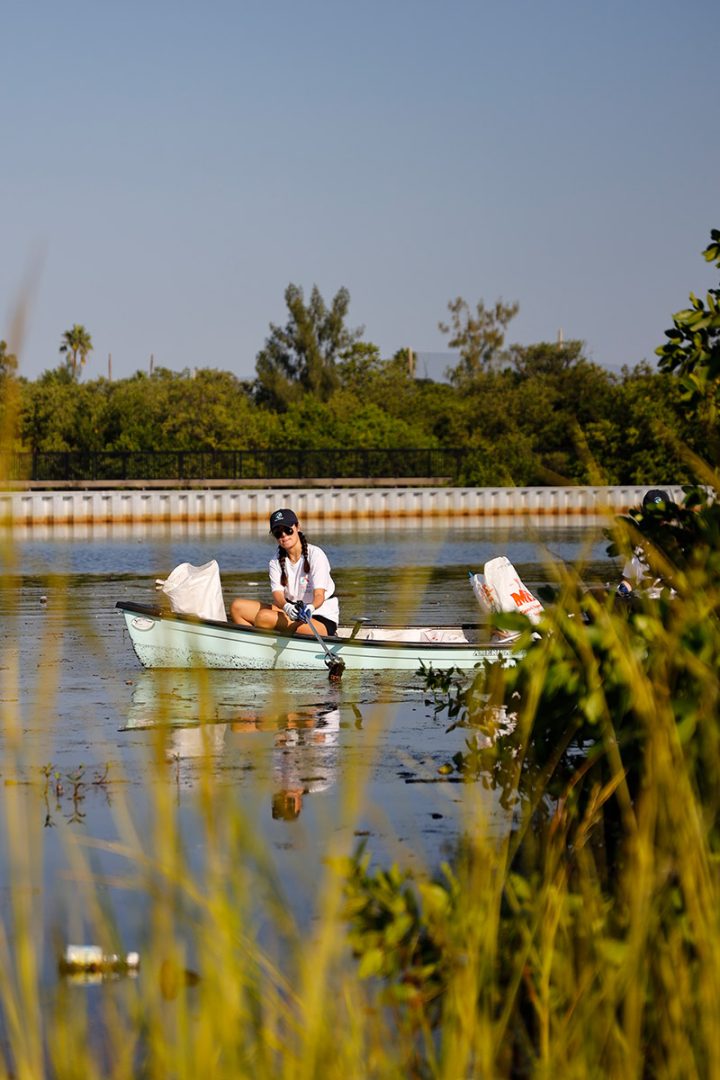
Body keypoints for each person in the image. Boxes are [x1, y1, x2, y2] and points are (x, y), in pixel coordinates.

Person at [230, 508, 339, 637]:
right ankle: (253, 647)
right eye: (278, 533)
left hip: (319, 618)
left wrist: (311, 607)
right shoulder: (275, 561)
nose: (284, 536)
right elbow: (278, 596)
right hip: (292, 612)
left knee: (264, 617)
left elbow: (319, 595)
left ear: (297, 527)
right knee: (237, 607)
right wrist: (287, 607)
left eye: (288, 530)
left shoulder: (316, 555)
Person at [616, 489, 673, 600]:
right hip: (650, 603)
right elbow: (629, 582)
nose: (659, 520)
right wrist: (621, 591)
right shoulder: (640, 548)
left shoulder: (682, 544)